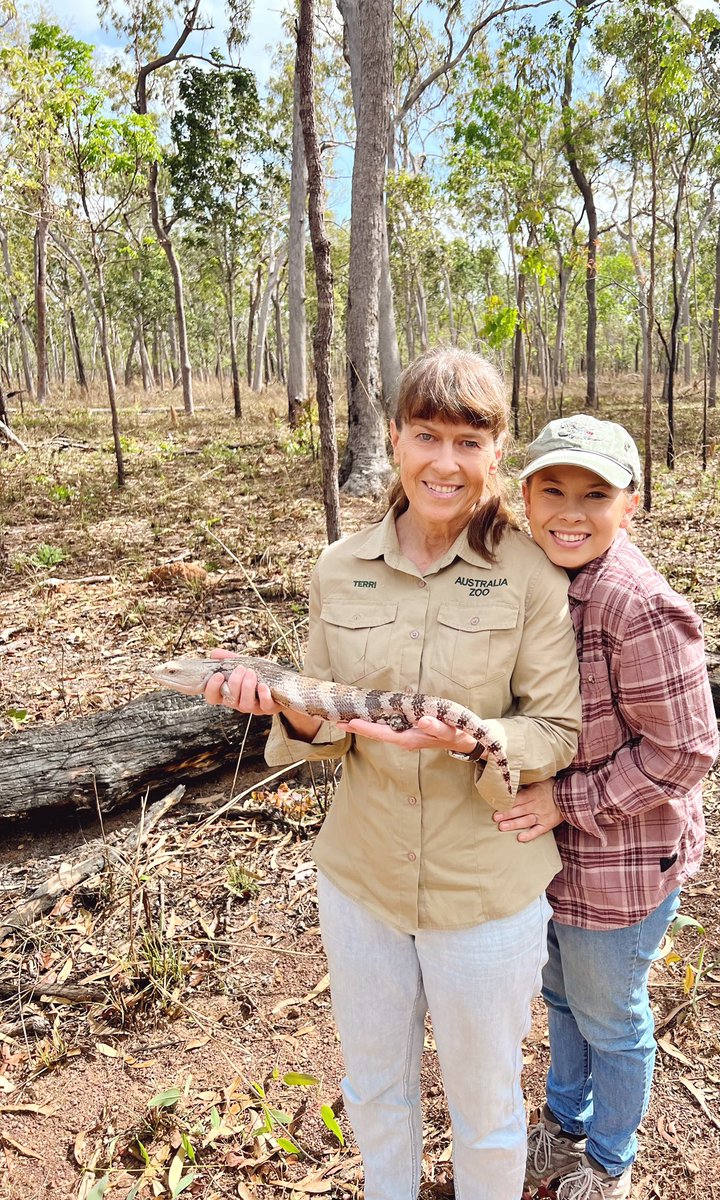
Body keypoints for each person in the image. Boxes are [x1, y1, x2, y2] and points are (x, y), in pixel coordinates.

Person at [200, 348, 582, 1200]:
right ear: (396, 440)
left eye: (468, 442)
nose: (445, 463)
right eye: (426, 435)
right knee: (375, 1089)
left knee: (487, 1109)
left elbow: (556, 731)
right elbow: (325, 724)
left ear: (496, 452)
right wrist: (285, 707)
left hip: (483, 886)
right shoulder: (340, 567)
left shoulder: (529, 574)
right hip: (361, 880)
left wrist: (469, 737)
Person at [495, 415, 719, 1200]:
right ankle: (563, 1126)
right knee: (561, 996)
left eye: (595, 494)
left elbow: (686, 751)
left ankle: (609, 1159)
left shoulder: (637, 606)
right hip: (558, 861)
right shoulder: (544, 579)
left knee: (611, 1015)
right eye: (551, 489)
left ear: (631, 504)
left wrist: (566, 801)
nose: (569, 510)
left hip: (619, 867)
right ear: (523, 496)